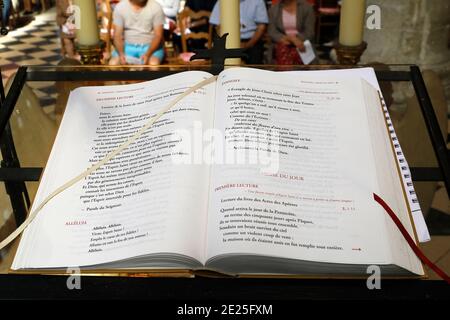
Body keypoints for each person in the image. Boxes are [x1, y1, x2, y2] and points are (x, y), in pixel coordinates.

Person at [209, 0, 269, 64]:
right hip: (227, 40)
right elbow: (216, 26)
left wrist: (247, 45)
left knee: (254, 61)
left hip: (251, 41)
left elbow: (261, 27)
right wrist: (226, 43)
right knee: (218, 61)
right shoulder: (222, 1)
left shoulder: (258, 1)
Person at [110, 0, 165, 65]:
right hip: (127, 47)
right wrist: (121, 54)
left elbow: (158, 35)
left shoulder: (156, 7)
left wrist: (147, 54)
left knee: (154, 64)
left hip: (151, 47)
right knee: (113, 63)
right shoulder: (120, 7)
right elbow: (117, 35)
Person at [268, 0, 315, 65]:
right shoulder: (273, 10)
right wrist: (290, 39)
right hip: (282, 42)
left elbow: (309, 31)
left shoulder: (306, 7)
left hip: (302, 42)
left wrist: (297, 39)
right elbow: (272, 32)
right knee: (282, 50)